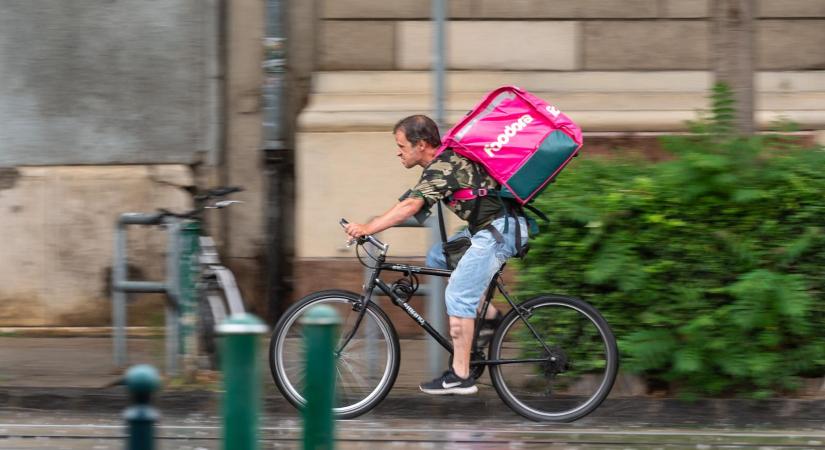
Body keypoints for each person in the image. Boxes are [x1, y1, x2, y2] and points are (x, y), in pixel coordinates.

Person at [344, 114, 528, 395]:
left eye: (402, 145)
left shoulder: (444, 165)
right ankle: (488, 317)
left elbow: (410, 208)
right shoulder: (439, 165)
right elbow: (407, 202)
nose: (398, 151)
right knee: (438, 257)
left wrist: (368, 227)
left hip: (499, 230)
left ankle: (461, 375)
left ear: (421, 145)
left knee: (458, 294)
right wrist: (371, 226)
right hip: (489, 229)